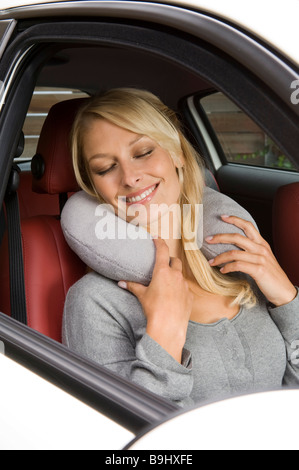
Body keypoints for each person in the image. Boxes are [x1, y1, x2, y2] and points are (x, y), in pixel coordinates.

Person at [62, 88, 299, 407]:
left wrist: (287, 297)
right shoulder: (95, 302)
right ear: (94, 189)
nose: (130, 177)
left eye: (143, 151)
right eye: (105, 168)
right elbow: (123, 442)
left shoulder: (239, 262)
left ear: (177, 152)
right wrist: (163, 338)